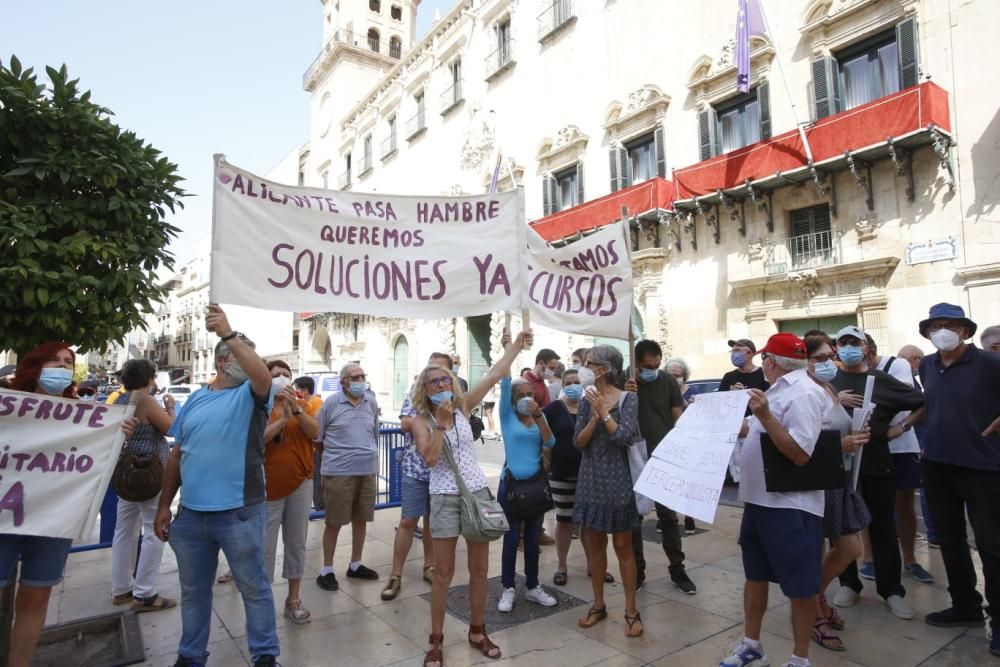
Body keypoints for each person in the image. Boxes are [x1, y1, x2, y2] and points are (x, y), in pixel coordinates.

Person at [154, 305, 280, 667]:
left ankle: (265, 656)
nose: (252, 361)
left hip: (239, 512)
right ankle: (191, 656)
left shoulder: (251, 395)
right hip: (192, 516)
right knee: (193, 593)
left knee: (253, 588)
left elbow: (261, 376)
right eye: (244, 353)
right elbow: (178, 454)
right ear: (223, 362)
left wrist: (228, 333)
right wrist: (165, 504)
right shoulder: (194, 399)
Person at [414, 329, 531, 667]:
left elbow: (494, 373)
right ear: (425, 390)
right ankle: (435, 641)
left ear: (452, 383)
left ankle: (478, 630)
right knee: (443, 573)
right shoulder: (422, 420)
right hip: (445, 499)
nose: (439, 385)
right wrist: (441, 424)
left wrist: (515, 346)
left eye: (444, 380)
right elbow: (431, 459)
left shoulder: (464, 405)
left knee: (480, 569)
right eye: (433, 382)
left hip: (478, 494)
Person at [721, 333, 828, 667]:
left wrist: (765, 416)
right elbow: (752, 429)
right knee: (755, 575)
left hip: (789, 507)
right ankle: (751, 644)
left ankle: (799, 659)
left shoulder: (805, 393)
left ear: (771, 362)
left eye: (765, 358)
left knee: (799, 586)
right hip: (759, 501)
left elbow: (800, 453)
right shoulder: (779, 390)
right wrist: (715, 414)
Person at [916, 303, 1000, 658]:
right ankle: (964, 603)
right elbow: (930, 404)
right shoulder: (927, 365)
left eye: (950, 325)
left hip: (983, 467)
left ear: (965, 331)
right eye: (936, 326)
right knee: (949, 539)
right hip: (937, 464)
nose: (943, 331)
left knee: (992, 545)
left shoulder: (990, 363)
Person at [828, 326, 923, 621]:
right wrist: (835, 400)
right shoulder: (828, 382)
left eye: (853, 342)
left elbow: (923, 402)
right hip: (838, 468)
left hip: (877, 465)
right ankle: (848, 583)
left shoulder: (883, 381)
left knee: (883, 528)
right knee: (840, 529)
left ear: (867, 348)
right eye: (841, 343)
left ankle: (892, 590)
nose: (847, 347)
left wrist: (902, 427)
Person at [2, 343, 81, 666]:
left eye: (68, 363)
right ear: (35, 365)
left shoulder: (85, 414)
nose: (62, 368)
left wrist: (120, 433)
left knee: (36, 598)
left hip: (53, 518)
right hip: (5, 516)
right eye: (55, 360)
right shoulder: (9, 406)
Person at [802, 335, 871, 653]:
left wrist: (856, 434)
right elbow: (795, 444)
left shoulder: (828, 389)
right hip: (817, 480)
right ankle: (814, 613)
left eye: (830, 356)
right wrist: (838, 445)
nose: (828, 362)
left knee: (851, 547)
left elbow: (836, 428)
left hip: (840, 477)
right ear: (805, 360)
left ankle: (815, 596)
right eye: (819, 358)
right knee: (814, 549)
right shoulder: (801, 392)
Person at [574, 345, 644, 638]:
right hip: (590, 479)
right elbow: (579, 442)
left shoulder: (628, 399)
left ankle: (631, 610)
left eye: (591, 363)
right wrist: (592, 417)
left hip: (618, 481)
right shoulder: (584, 397)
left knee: (624, 548)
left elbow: (624, 437)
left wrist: (604, 412)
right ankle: (598, 604)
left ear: (606, 368)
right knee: (595, 546)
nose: (585, 368)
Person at [625, 340, 696, 595]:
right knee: (634, 518)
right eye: (646, 366)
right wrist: (626, 394)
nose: (651, 370)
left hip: (664, 456)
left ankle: (677, 568)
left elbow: (677, 416)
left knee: (668, 516)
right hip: (633, 457)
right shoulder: (625, 382)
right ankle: (638, 572)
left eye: (656, 365)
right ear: (635, 363)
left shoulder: (667, 381)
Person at [862, 336, 934, 584]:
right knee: (866, 502)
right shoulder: (851, 371)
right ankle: (869, 559)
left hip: (901, 446)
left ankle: (910, 560)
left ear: (870, 351)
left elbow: (901, 399)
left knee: (904, 502)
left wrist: (900, 427)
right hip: (870, 446)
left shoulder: (897, 365)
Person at [383, 353, 454, 602]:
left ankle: (429, 566)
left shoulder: (455, 401)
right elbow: (404, 423)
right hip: (416, 470)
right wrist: (421, 419)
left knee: (433, 523)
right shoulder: (416, 398)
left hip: (442, 474)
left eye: (443, 375)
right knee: (407, 522)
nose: (439, 383)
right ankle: (396, 574)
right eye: (433, 377)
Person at [110, 359, 177, 614]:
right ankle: (145, 593)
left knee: (124, 530)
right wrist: (171, 407)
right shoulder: (146, 401)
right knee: (153, 529)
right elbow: (172, 429)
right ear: (150, 378)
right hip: (149, 474)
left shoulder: (119, 400)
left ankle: (121, 588)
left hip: (126, 473)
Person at [261, 360, 320, 624]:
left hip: (300, 483)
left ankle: (293, 598)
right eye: (277, 375)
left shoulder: (302, 405)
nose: (283, 379)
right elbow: (255, 440)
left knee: (296, 543)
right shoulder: (258, 408)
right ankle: (261, 602)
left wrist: (294, 411)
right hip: (266, 488)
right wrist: (281, 420)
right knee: (264, 547)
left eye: (287, 375)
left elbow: (315, 432)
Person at [315, 363, 380, 591]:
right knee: (334, 521)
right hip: (338, 472)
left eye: (362, 376)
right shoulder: (331, 403)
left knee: (361, 519)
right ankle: (326, 569)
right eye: (355, 377)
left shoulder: (371, 401)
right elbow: (318, 438)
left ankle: (355, 564)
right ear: (343, 381)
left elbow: (374, 432)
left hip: (367, 470)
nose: (360, 380)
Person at [496, 372, 558, 612]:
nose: (525, 399)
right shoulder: (507, 417)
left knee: (532, 541)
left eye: (529, 394)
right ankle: (508, 588)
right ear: (512, 401)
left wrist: (538, 414)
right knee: (511, 539)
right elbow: (504, 381)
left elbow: (550, 442)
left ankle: (533, 586)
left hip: (534, 488)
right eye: (520, 396)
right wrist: (510, 346)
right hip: (511, 488)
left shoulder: (537, 418)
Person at [543, 368, 596, 586]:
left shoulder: (590, 406)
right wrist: (545, 461)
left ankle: (594, 565)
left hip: (589, 475)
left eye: (577, 382)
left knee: (588, 522)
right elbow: (542, 435)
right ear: (563, 385)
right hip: (561, 472)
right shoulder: (553, 409)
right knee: (564, 520)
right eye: (569, 382)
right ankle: (562, 566)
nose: (574, 385)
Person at [896, 344, 938, 548]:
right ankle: (933, 533)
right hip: (915, 438)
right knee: (920, 490)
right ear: (914, 359)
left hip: (913, 438)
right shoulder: (906, 380)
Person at [664, 356, 699, 534]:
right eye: (670, 375)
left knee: (688, 481)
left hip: (689, 442)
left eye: (677, 375)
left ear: (684, 376)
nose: (674, 378)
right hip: (668, 440)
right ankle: (666, 517)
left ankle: (689, 516)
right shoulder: (662, 391)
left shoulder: (693, 392)